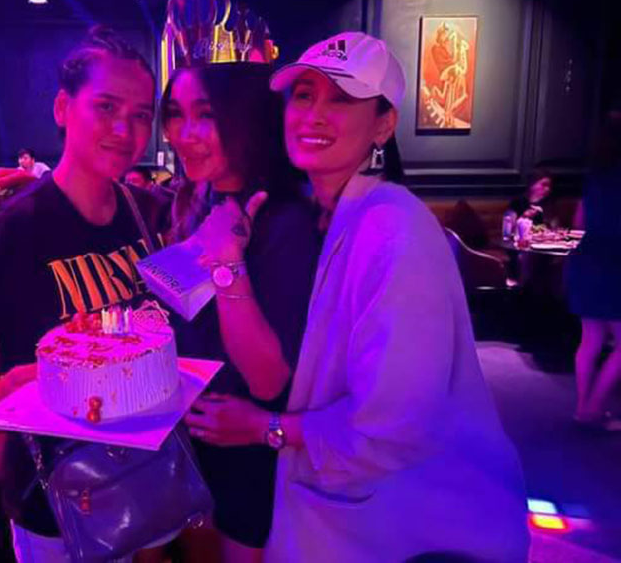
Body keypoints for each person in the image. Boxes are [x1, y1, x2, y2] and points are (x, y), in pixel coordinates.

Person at [187, 33, 529, 562]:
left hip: (417, 530)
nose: (314, 115)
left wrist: (264, 428)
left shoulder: (394, 229)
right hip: (360, 515)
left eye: (342, 99)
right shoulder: (330, 215)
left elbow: (391, 427)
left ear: (384, 125)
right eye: (304, 95)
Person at [0, 26, 164, 562]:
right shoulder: (14, 228)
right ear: (63, 108)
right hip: (54, 487)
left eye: (140, 114)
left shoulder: (144, 213)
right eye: (106, 107)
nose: (125, 130)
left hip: (140, 468)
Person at [164, 62, 320, 563]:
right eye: (175, 114)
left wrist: (228, 262)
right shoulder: (202, 201)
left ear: (245, 118)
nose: (184, 134)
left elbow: (267, 379)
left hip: (247, 455)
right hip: (193, 441)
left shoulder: (285, 221)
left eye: (205, 115)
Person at [568, 105, 621, 429]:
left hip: (587, 257)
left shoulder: (595, 176)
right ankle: (593, 407)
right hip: (614, 260)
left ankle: (583, 408)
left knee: (591, 339)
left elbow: (580, 223)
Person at [0, 149, 51, 222]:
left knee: (20, 174)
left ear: (32, 160)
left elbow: (48, 178)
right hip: (24, 189)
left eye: (25, 158)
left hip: (36, 184)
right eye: (20, 159)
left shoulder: (40, 166)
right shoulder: (19, 170)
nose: (22, 161)